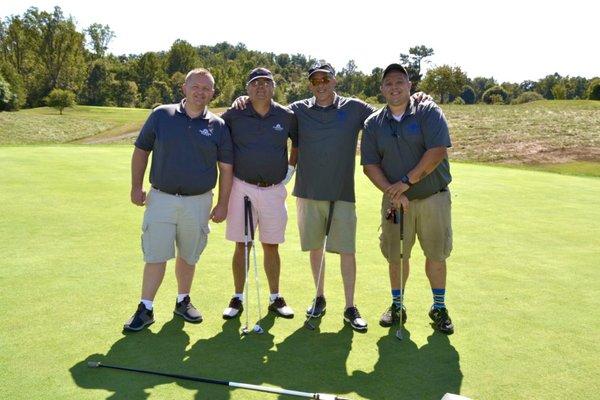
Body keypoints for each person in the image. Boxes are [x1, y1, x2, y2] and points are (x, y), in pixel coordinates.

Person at [234, 61, 429, 332]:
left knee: (347, 252)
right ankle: (319, 298)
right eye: (316, 80)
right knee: (316, 249)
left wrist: (414, 99)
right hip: (309, 193)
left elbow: (388, 115)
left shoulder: (354, 108)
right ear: (310, 85)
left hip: (342, 194)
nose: (321, 84)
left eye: (326, 79)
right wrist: (245, 98)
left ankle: (350, 306)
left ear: (335, 81)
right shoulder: (298, 111)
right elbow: (268, 110)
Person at [123, 68, 234, 332]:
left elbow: (226, 169)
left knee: (188, 255)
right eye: (195, 86)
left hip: (198, 201)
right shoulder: (162, 114)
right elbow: (141, 151)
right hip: (161, 197)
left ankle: (183, 301)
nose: (200, 92)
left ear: (212, 93)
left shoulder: (217, 126)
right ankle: (146, 307)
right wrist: (135, 187)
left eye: (206, 88)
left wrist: (223, 203)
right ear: (184, 88)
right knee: (155, 254)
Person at [361, 63, 454, 334]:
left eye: (399, 82)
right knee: (396, 256)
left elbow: (436, 152)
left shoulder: (428, 112)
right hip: (395, 201)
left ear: (409, 85)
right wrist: (394, 192)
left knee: (436, 255)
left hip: (432, 198)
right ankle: (397, 305)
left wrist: (405, 183)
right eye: (388, 83)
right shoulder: (373, 123)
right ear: (381, 89)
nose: (394, 88)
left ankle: (438, 307)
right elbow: (370, 166)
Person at [220, 67, 298, 320]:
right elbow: (217, 132)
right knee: (242, 244)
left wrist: (290, 169)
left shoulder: (286, 115)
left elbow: (297, 144)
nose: (261, 87)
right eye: (255, 83)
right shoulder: (235, 113)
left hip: (274, 190)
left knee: (271, 245)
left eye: (266, 83)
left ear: (274, 87)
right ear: (247, 89)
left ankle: (275, 297)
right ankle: (237, 297)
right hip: (242, 187)